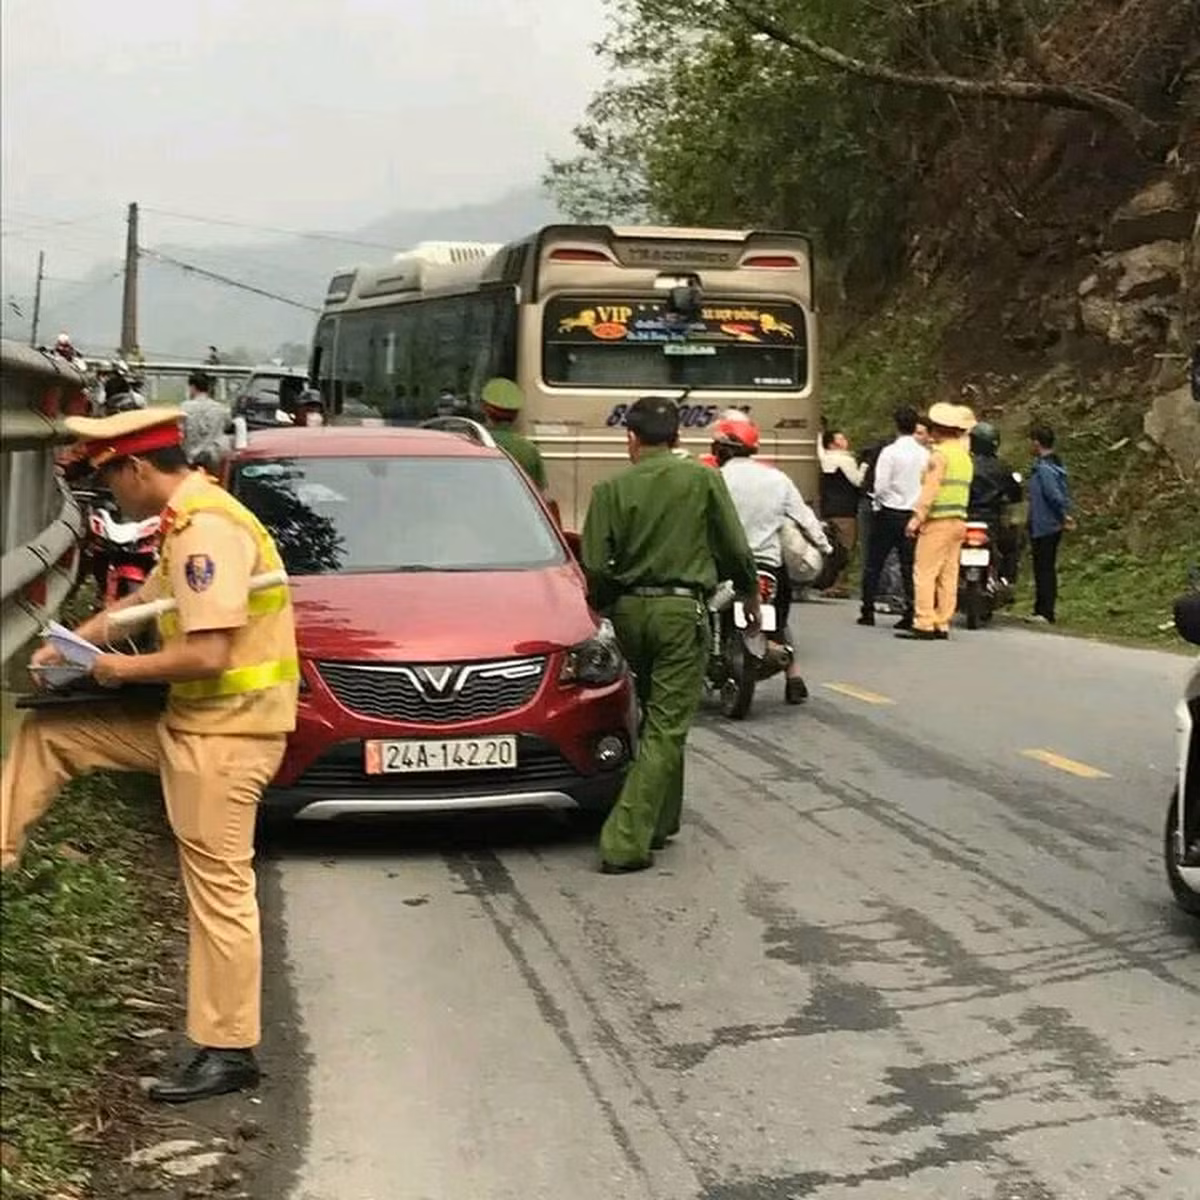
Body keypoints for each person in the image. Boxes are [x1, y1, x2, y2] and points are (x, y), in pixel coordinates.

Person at [1, 408, 299, 1103]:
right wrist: (83, 634)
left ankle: (229, 1049)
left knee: (218, 893)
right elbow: (149, 600)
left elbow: (207, 652)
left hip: (226, 739)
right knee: (54, 737)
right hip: (192, 725)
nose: (110, 494)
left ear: (137, 468)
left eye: (109, 477)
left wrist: (109, 671)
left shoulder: (210, 532)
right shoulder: (187, 522)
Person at [580, 396, 759, 874]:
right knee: (667, 724)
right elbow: (735, 548)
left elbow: (595, 565)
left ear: (631, 440)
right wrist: (746, 591)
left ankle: (662, 820)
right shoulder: (702, 479)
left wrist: (609, 600)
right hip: (681, 611)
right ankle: (624, 840)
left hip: (630, 611)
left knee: (651, 714)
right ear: (678, 439)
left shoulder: (609, 489)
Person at [712, 415, 830, 704]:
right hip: (767, 566)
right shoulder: (777, 479)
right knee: (777, 619)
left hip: (723, 565)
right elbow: (805, 517)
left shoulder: (715, 479)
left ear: (723, 449)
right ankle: (793, 677)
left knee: (705, 612)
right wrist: (825, 547)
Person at [896, 402, 976, 641]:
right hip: (959, 521)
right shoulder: (964, 457)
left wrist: (916, 518)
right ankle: (943, 622)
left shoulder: (939, 456)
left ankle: (924, 623)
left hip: (937, 522)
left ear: (939, 430)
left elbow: (931, 489)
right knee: (948, 575)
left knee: (925, 572)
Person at [859, 406, 930, 629]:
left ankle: (868, 609)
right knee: (909, 565)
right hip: (913, 514)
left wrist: (880, 500)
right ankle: (911, 611)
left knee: (874, 562)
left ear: (896, 425)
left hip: (889, 511)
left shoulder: (890, 452)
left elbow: (880, 485)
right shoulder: (925, 454)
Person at [1027, 424, 1073, 624]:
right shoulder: (1053, 465)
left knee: (1044, 567)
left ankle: (1045, 611)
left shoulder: (1044, 469)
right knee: (1044, 566)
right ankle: (1041, 608)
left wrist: (1063, 515)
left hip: (1045, 524)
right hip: (1049, 523)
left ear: (1037, 442)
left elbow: (1053, 496)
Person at [967, 421, 1023, 584]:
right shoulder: (1002, 468)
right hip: (992, 518)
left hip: (965, 516)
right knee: (1010, 546)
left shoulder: (965, 465)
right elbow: (1015, 494)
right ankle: (1006, 578)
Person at [818, 430, 865, 597]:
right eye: (841, 438)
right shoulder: (845, 460)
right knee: (845, 546)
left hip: (827, 508)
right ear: (832, 443)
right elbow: (858, 480)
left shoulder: (823, 459)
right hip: (845, 509)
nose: (845, 440)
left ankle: (825, 580)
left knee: (831, 545)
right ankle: (838, 584)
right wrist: (865, 466)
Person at [480, 378, 548, 493]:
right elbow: (539, 491)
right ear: (516, 414)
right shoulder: (529, 449)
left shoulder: (475, 443)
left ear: (485, 409)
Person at [181, 371, 230, 474]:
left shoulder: (185, 408)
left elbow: (180, 433)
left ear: (192, 387)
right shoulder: (221, 409)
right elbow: (227, 427)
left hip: (191, 460)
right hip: (214, 461)